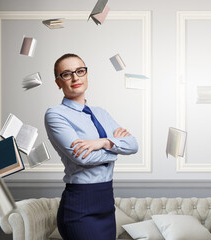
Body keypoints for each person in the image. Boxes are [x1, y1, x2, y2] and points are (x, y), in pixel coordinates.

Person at [44, 53, 138, 240]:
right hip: (79, 205)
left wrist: (103, 142)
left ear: (86, 74)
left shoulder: (101, 113)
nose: (75, 77)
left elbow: (133, 145)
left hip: (106, 201)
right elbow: (82, 157)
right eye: (67, 74)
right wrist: (115, 150)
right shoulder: (55, 115)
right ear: (58, 82)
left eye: (80, 71)